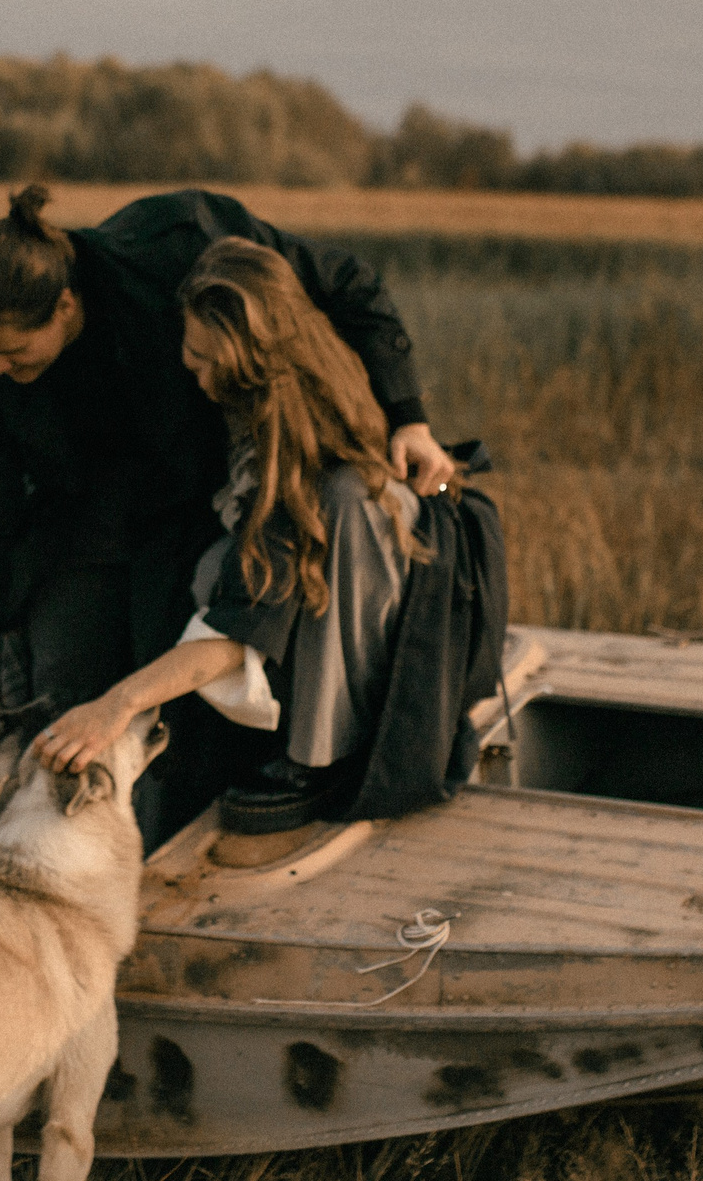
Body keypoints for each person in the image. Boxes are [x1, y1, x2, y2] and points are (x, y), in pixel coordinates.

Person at [0, 184, 455, 835]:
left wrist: (409, 419)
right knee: (56, 699)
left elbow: (243, 614)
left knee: (177, 707)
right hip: (82, 521)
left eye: (13, 355)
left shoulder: (189, 255)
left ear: (67, 304)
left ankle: (234, 801)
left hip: (198, 498)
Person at [26, 238, 429, 822]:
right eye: (189, 349)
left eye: (207, 357)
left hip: (363, 552)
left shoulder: (303, 453)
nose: (191, 367)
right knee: (213, 567)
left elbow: (246, 620)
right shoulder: (242, 399)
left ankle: (324, 758)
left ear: (253, 358)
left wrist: (118, 703)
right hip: (289, 544)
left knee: (327, 520)